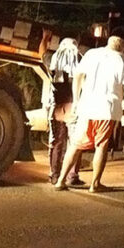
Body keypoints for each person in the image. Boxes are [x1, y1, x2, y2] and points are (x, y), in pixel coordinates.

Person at [54, 35, 124, 193]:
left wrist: (77, 100)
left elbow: (78, 76)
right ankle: (95, 184)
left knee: (75, 145)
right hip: (107, 109)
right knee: (101, 146)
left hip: (87, 107)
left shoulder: (92, 54)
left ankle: (61, 180)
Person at [47, 38, 83, 186]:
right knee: (75, 143)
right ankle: (72, 175)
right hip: (74, 107)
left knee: (57, 142)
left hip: (57, 107)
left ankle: (54, 175)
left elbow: (42, 53)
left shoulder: (52, 61)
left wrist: (44, 38)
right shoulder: (80, 61)